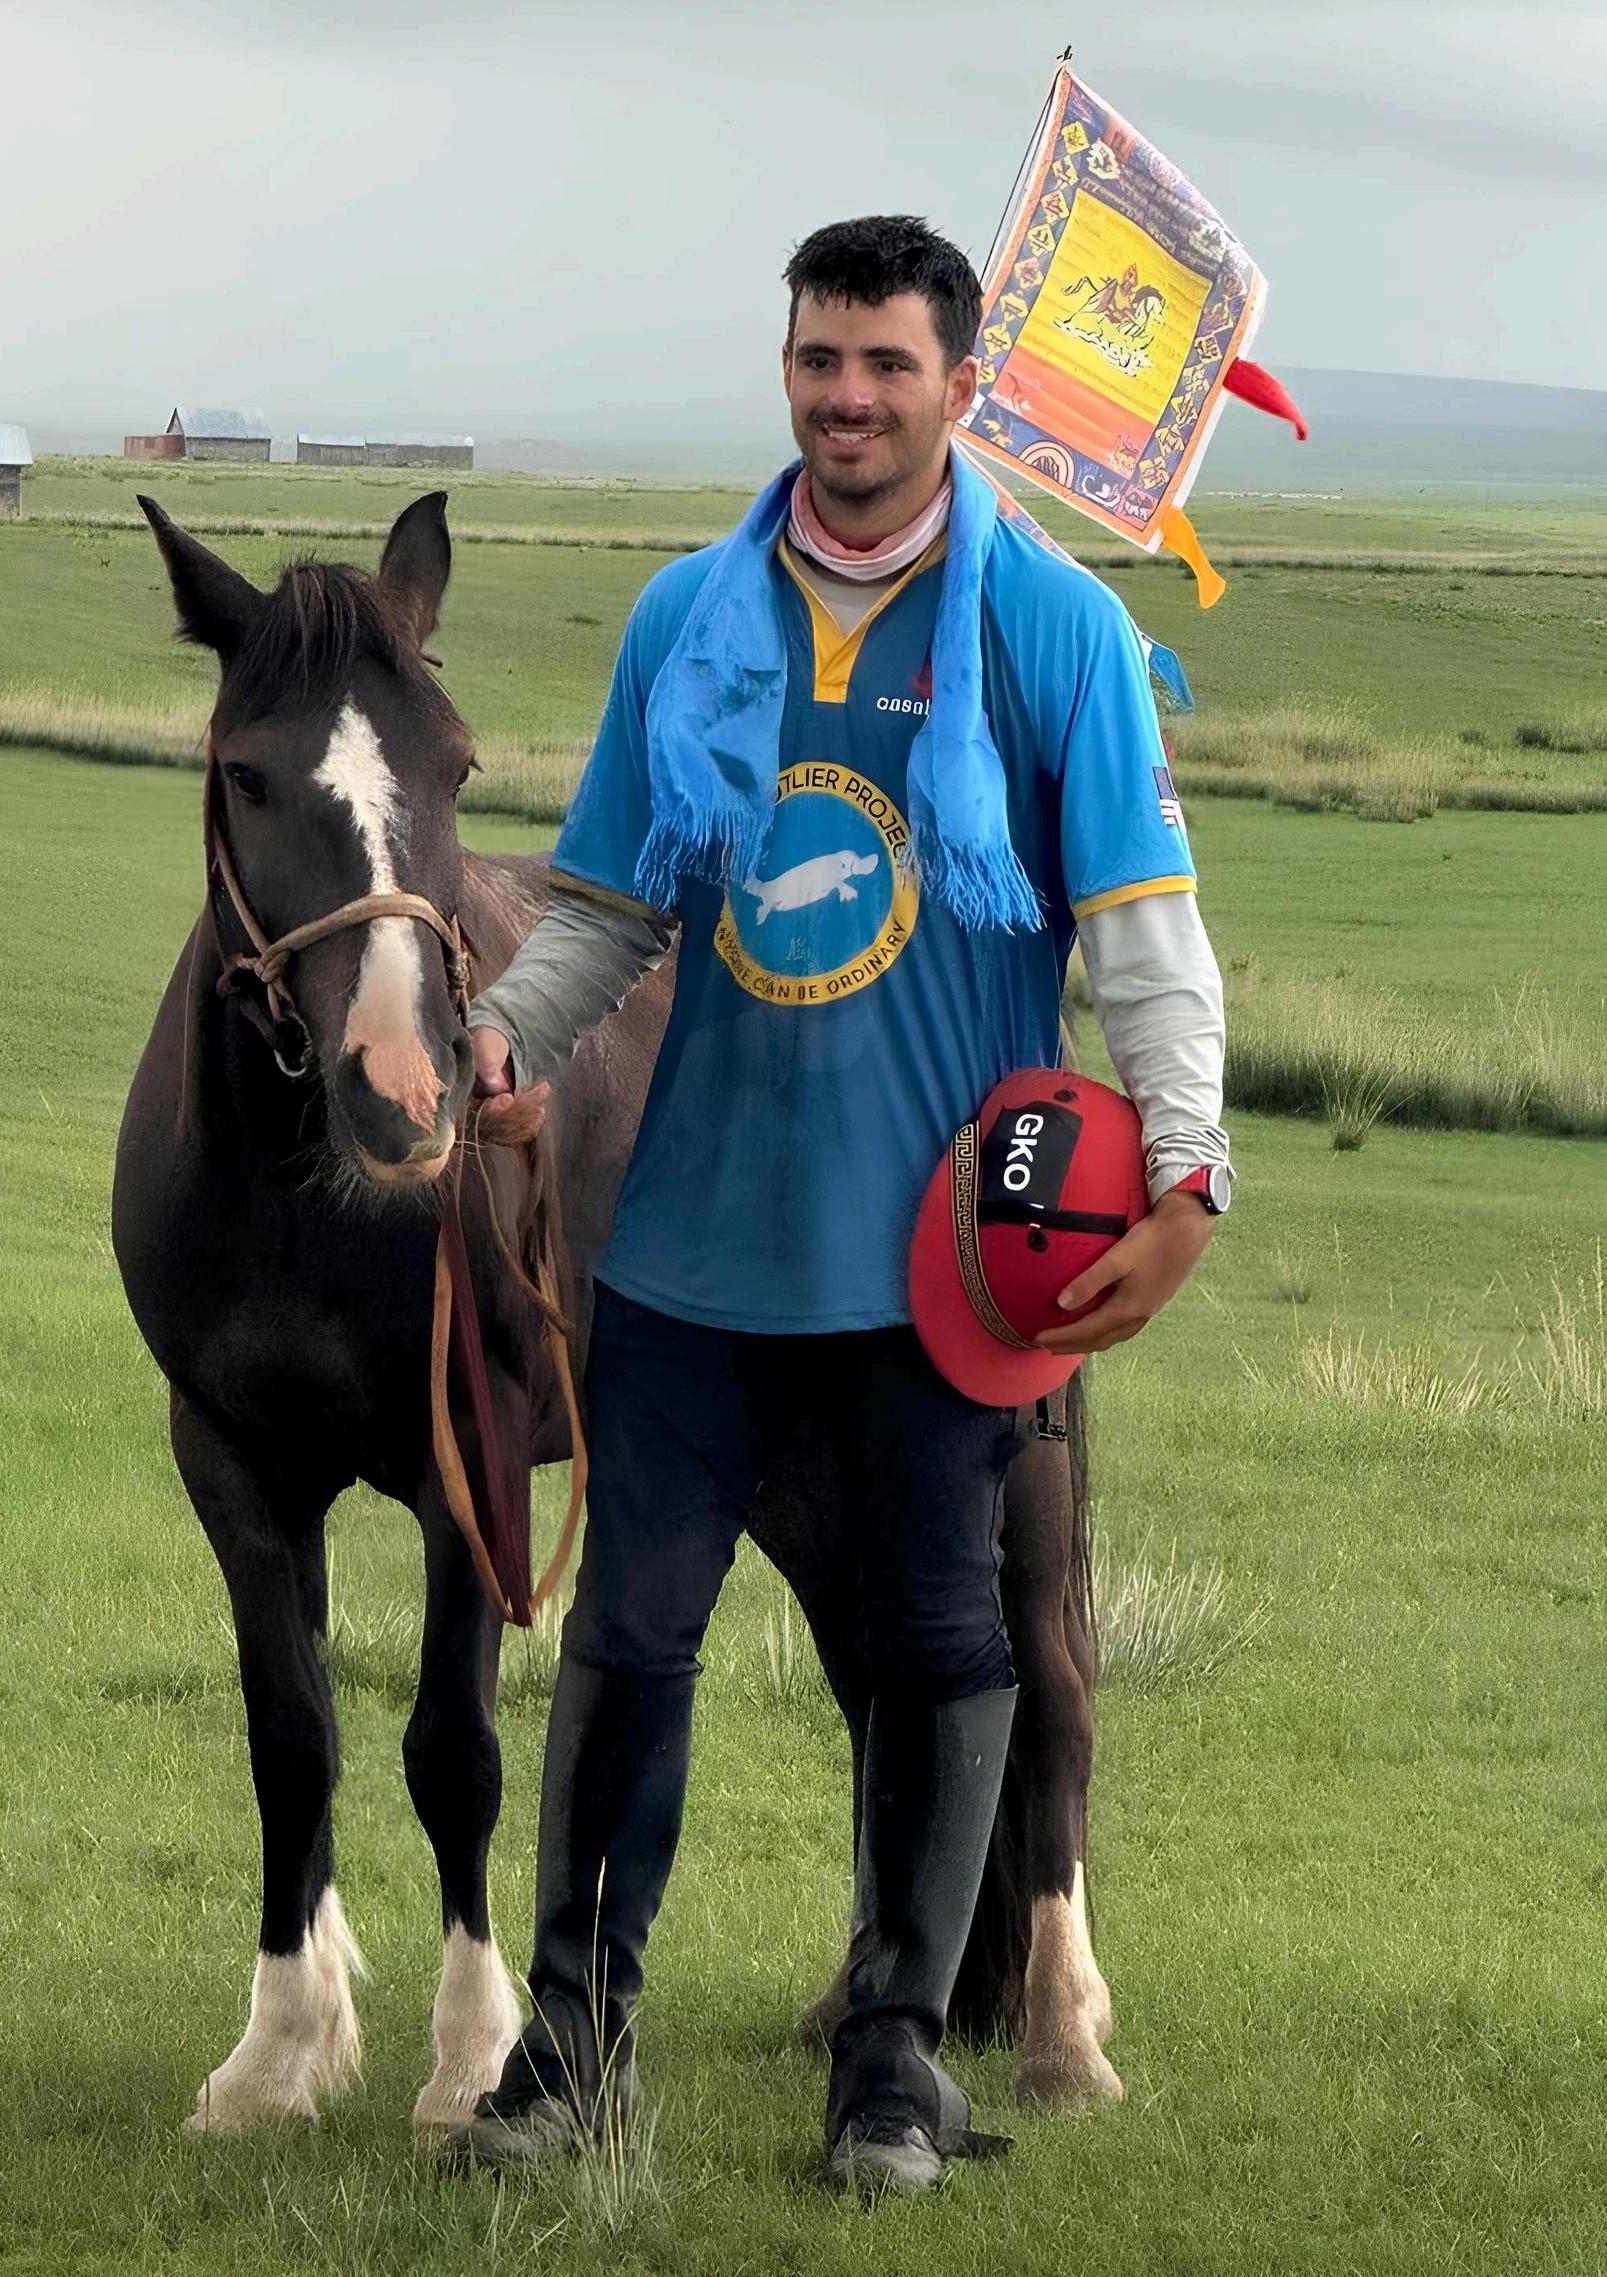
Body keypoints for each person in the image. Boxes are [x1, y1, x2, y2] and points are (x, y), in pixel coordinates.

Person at [453, 215, 1231, 2195]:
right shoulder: (686, 619)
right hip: (690, 1252)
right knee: (629, 1635)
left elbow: (1144, 944)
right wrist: (505, 1036)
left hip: (939, 1272)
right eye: (819, 360)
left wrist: (1187, 1176)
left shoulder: (1053, 633)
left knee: (938, 1645)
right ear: (785, 371)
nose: (848, 399)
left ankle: (892, 2068)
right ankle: (572, 2048)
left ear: (961, 384)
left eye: (887, 364)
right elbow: (610, 908)